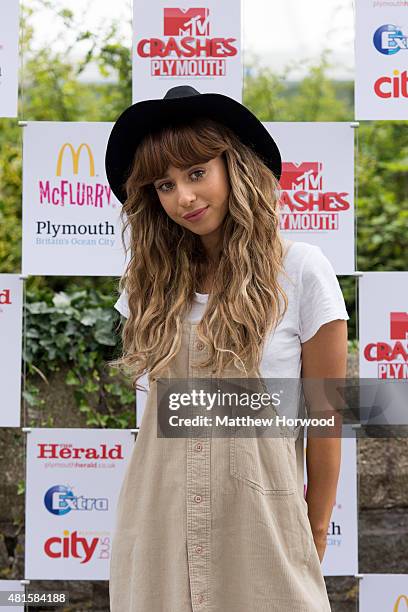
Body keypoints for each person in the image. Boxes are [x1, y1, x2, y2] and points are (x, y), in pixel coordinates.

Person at [105, 85, 349, 612]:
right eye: (165, 185)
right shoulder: (145, 287)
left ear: (233, 167)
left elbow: (326, 416)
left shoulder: (301, 270)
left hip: (262, 522)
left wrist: (317, 525)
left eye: (197, 173)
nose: (184, 198)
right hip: (159, 522)